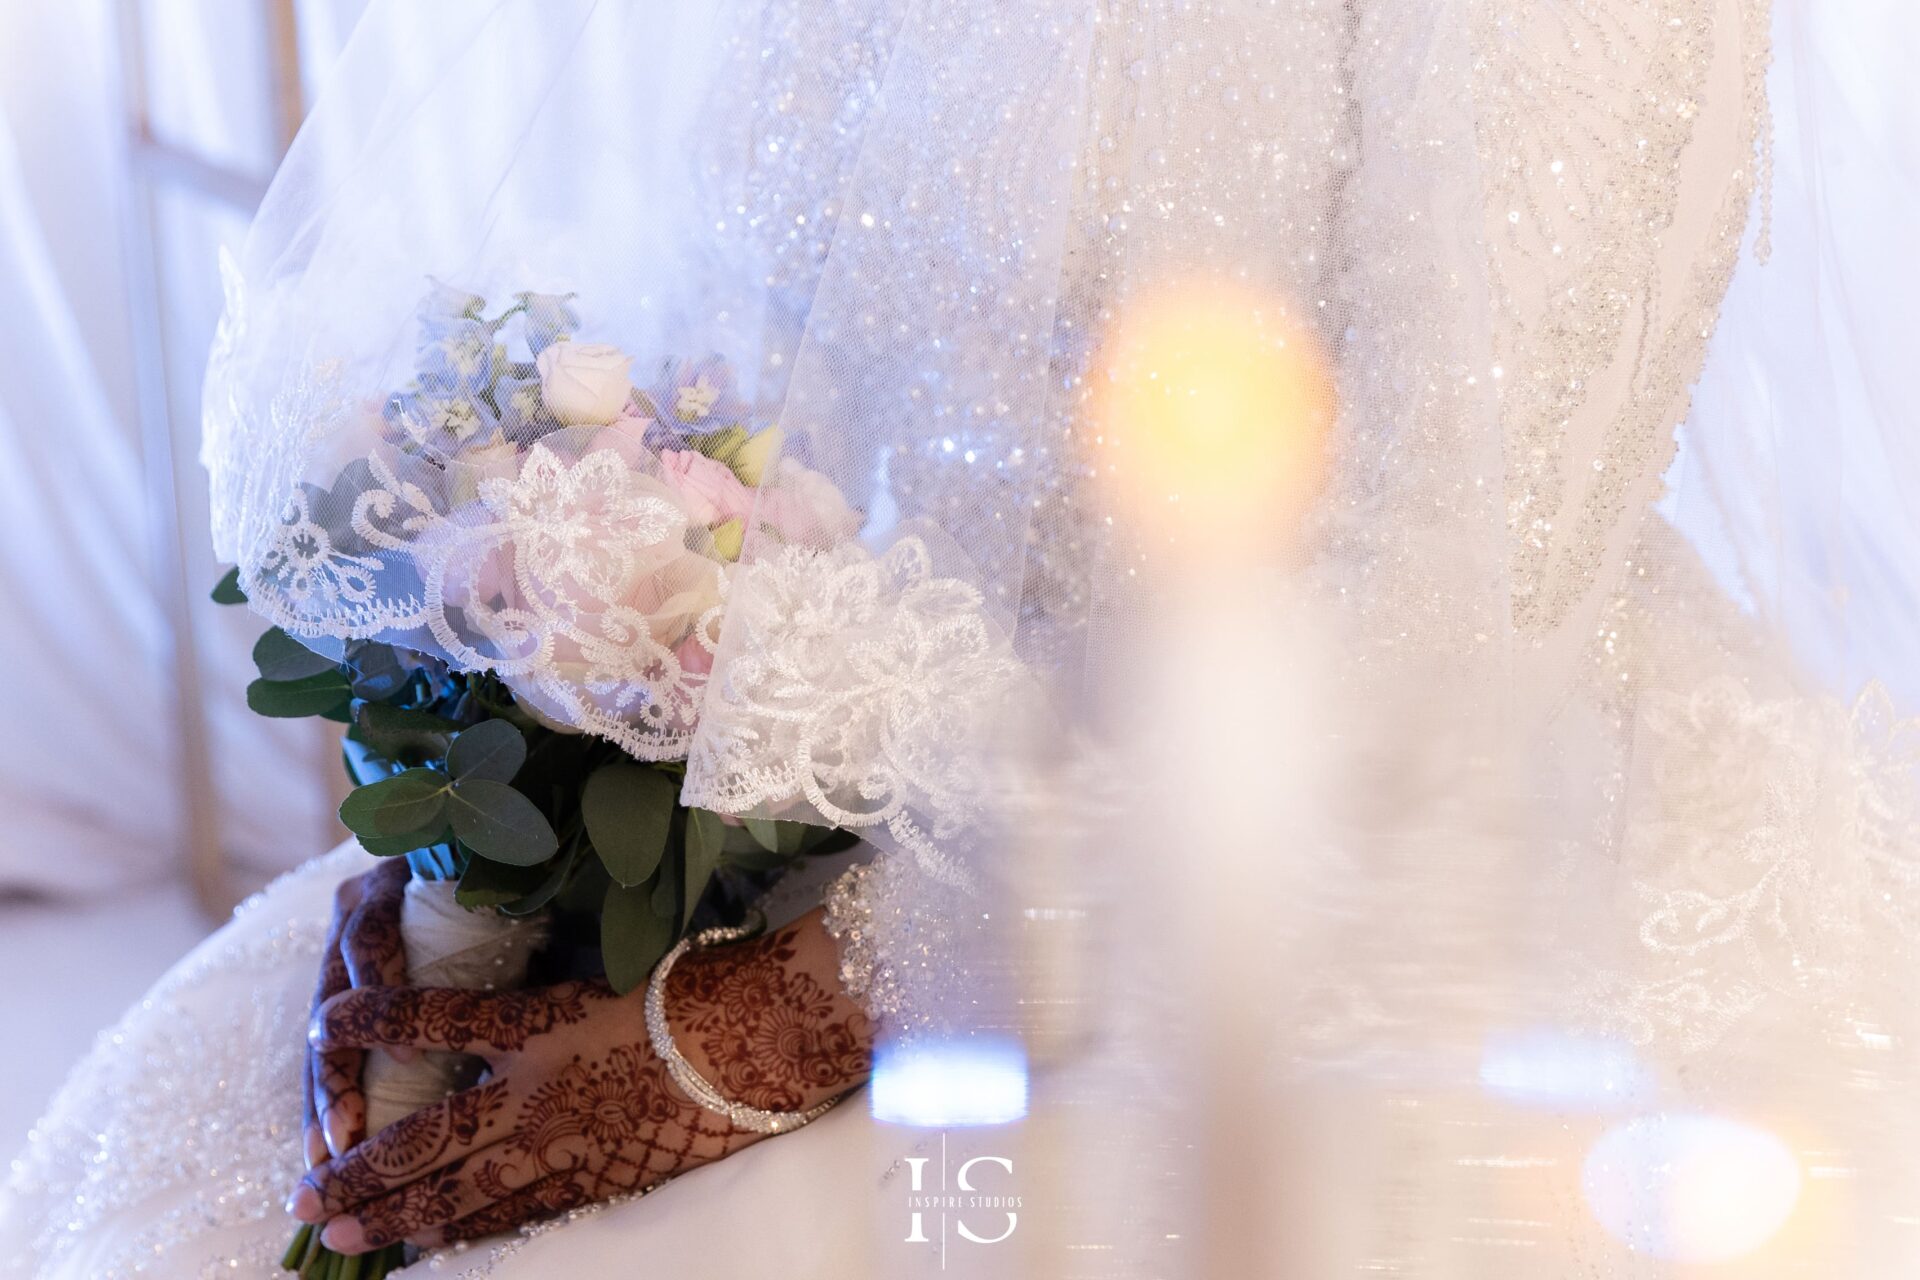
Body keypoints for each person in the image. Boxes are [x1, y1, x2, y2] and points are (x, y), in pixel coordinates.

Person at [10, 0, 1918, 1275]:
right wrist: (516, 781)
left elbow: (1443, 634)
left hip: (1342, 879)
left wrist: (798, 1000)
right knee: (238, 1155)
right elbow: (785, 377)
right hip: (863, 770)